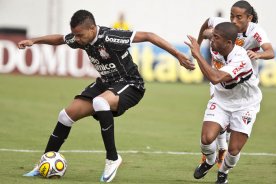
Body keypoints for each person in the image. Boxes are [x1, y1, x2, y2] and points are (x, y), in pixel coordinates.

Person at [18, 10, 195, 182]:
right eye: (75, 35)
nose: (77, 40)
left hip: (130, 84)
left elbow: (149, 35)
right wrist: (34, 40)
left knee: (100, 102)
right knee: (65, 115)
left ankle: (112, 158)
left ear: (92, 29)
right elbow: (60, 39)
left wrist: (178, 55)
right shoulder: (80, 37)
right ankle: (43, 162)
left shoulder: (110, 37)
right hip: (106, 83)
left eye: (79, 35)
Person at [197, 0, 275, 168]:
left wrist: (259, 55)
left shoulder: (256, 32)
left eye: (238, 17)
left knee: (233, 131)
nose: (233, 21)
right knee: (217, 108)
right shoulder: (222, 25)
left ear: (249, 18)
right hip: (220, 74)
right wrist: (199, 42)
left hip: (242, 78)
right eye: (231, 16)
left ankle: (224, 153)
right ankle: (219, 150)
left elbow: (270, 51)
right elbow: (207, 23)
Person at [185, 22, 262, 184]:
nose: (212, 41)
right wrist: (203, 36)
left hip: (245, 105)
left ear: (228, 43)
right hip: (221, 100)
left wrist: (197, 53)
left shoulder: (240, 59)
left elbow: (215, 78)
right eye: (212, 37)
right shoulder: (217, 43)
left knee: (233, 150)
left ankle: (223, 172)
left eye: (216, 38)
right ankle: (210, 161)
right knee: (206, 139)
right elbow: (207, 29)